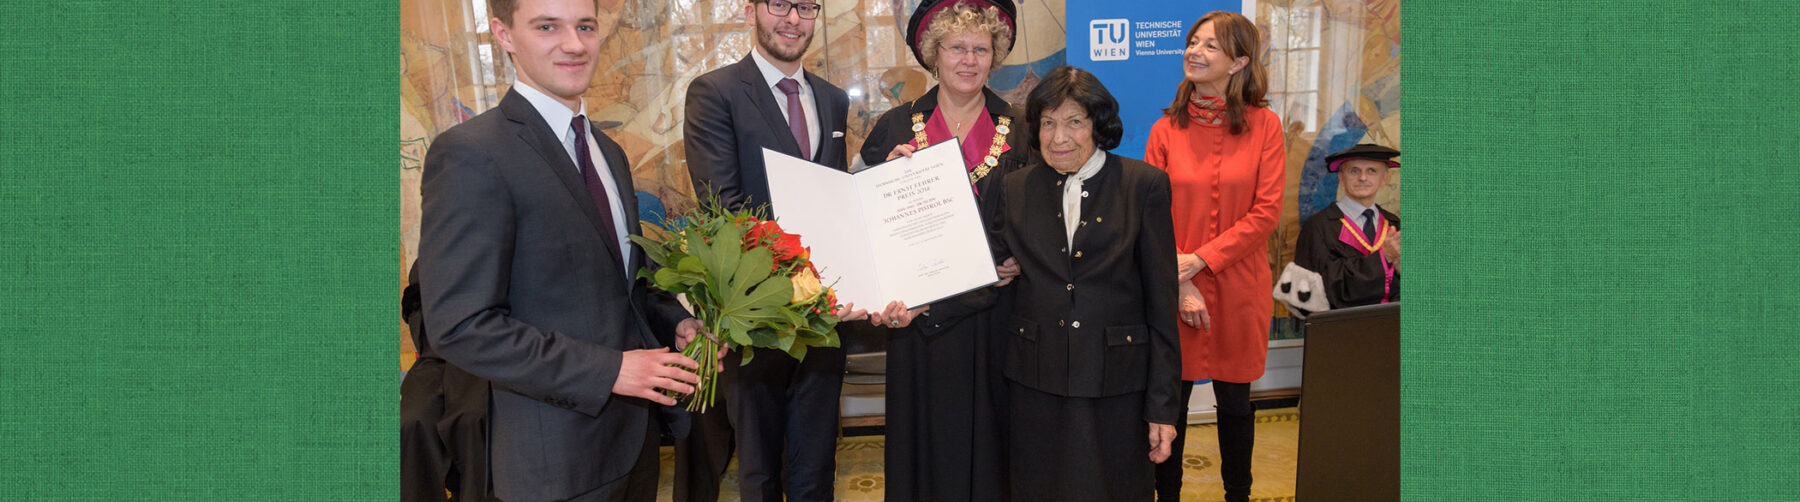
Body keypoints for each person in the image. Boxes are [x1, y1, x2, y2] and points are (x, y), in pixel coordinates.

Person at [417, 0, 711, 499]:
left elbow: (623, 285)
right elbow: (462, 327)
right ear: (504, 34)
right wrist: (612, 370)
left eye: (585, 26)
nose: (574, 44)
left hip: (632, 443)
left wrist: (676, 324)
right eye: (547, 26)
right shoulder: (472, 153)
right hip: (553, 461)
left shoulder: (607, 150)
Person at [681, 2, 865, 500]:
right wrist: (793, 286)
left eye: (807, 6)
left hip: (825, 315)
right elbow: (724, 208)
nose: (793, 18)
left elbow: (831, 197)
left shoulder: (830, 100)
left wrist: (878, 187)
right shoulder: (714, 93)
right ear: (751, 11)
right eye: (780, 3)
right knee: (759, 469)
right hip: (755, 313)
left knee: (817, 461)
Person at [988, 65, 1183, 501]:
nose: (1059, 138)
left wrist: (1162, 408)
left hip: (1117, 384)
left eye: (1074, 122)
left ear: (1098, 125)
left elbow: (1161, 303)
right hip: (1036, 382)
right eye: (1048, 123)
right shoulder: (1015, 187)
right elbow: (984, 260)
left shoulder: (1143, 185)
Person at [856, 0, 1024, 499]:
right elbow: (861, 218)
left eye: (981, 49)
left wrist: (1021, 258)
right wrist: (883, 174)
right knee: (924, 444)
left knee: (994, 444)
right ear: (934, 54)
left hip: (996, 317)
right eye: (957, 48)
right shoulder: (892, 128)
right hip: (919, 324)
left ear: (995, 56)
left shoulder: (1023, 130)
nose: (968, 60)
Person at [1142, 11, 1286, 502]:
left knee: (1235, 403)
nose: (1194, 51)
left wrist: (1200, 260)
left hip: (1240, 284)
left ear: (1239, 60)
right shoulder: (1165, 130)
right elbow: (1150, 219)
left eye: (1210, 46)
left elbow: (1266, 213)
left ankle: (1238, 495)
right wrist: (1181, 281)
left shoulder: (1267, 127)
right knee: (1170, 402)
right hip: (1174, 283)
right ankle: (1167, 495)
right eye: (1192, 42)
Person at [1293, 143, 1400, 309]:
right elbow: (1321, 291)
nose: (1363, 178)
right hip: (1341, 329)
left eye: (1372, 171)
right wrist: (1383, 258)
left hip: (1391, 326)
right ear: (1341, 178)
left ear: (1385, 178)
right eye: (1354, 171)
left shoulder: (1394, 224)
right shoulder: (1318, 228)